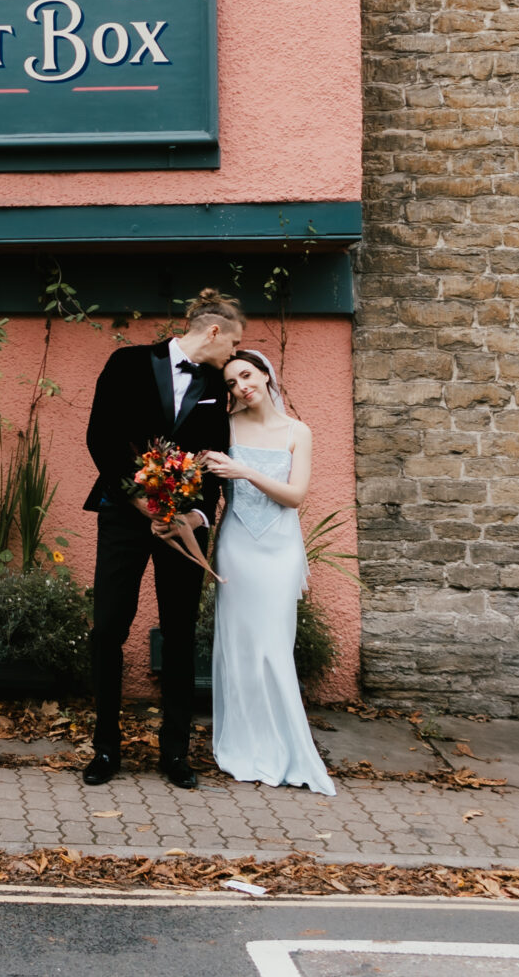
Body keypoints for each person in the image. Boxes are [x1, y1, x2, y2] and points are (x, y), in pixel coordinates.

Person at [78, 289, 244, 789]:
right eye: (233, 343)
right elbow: (100, 438)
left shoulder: (219, 387)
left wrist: (190, 516)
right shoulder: (126, 362)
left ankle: (175, 753)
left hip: (183, 527)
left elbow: (216, 463)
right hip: (125, 518)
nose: (234, 354)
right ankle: (105, 748)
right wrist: (141, 501)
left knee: (178, 633)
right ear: (212, 331)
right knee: (108, 628)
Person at [205, 349, 336, 795]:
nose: (242, 386)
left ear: (265, 374)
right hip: (236, 547)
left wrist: (243, 470)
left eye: (246, 375)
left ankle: (286, 746)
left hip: (279, 550)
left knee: (274, 645)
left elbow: (295, 495)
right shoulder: (226, 427)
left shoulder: (298, 431)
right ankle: (243, 744)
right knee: (239, 646)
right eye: (231, 382)